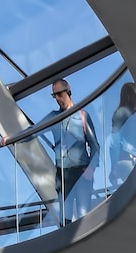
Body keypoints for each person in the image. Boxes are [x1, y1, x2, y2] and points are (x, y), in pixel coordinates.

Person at [44, 77, 96, 206]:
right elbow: (33, 130)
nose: (57, 98)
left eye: (59, 94)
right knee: (65, 217)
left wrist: (91, 168)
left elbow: (94, 144)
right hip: (63, 173)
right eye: (54, 95)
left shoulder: (82, 115)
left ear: (68, 92)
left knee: (84, 214)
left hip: (81, 172)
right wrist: (11, 138)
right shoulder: (53, 117)